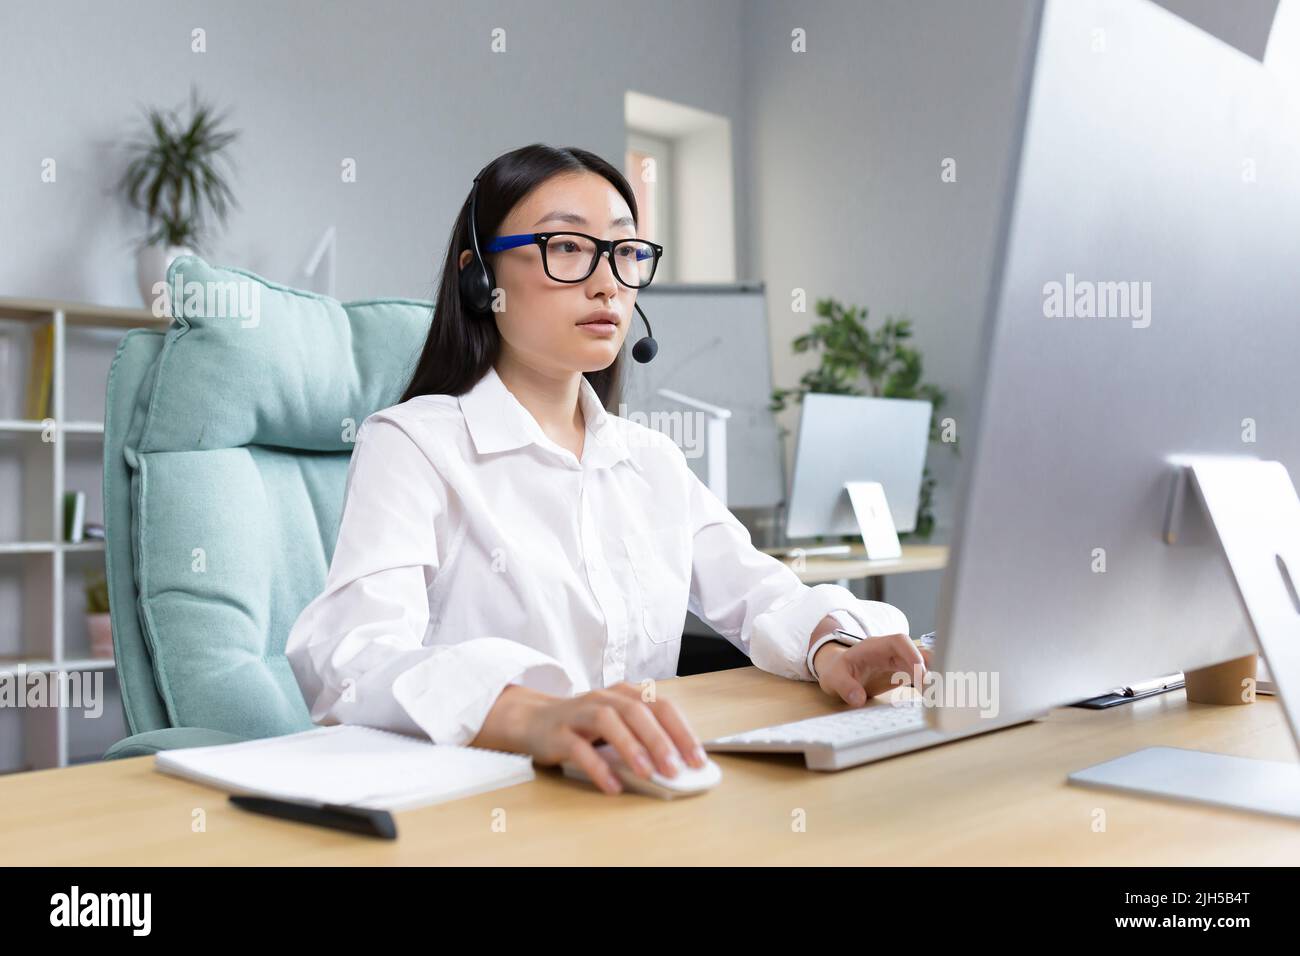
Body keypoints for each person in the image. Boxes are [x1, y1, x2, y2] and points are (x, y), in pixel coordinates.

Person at [285, 143, 929, 795]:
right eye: (566, 246)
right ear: (480, 276)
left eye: (624, 252)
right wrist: (532, 715)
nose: (607, 282)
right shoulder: (415, 444)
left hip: (636, 789)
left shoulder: (651, 460)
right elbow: (351, 659)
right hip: (484, 804)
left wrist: (836, 648)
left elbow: (761, 592)